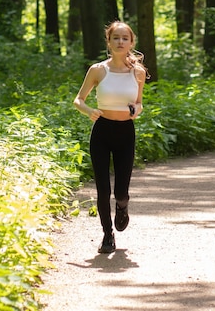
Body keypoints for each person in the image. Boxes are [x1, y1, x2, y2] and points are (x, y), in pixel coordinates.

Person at [73, 21, 147, 254]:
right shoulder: (97, 70)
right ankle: (107, 235)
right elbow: (79, 99)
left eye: (125, 38)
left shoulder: (138, 72)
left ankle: (123, 206)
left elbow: (139, 103)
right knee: (103, 190)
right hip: (102, 131)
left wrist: (137, 110)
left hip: (126, 132)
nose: (120, 42)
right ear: (109, 41)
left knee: (120, 191)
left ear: (131, 43)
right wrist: (89, 111)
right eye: (116, 38)